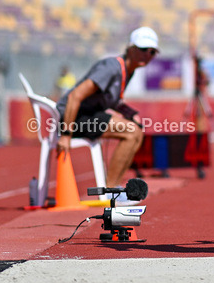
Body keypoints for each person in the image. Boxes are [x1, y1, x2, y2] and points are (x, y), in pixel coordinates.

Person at [55, 27, 158, 188]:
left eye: (152, 52)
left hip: (88, 115)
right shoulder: (112, 67)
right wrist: (66, 134)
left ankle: (115, 186)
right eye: (143, 49)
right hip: (72, 117)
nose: (148, 55)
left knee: (137, 132)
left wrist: (131, 113)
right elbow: (75, 96)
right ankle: (111, 190)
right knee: (131, 132)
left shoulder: (129, 70)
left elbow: (112, 101)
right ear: (130, 49)